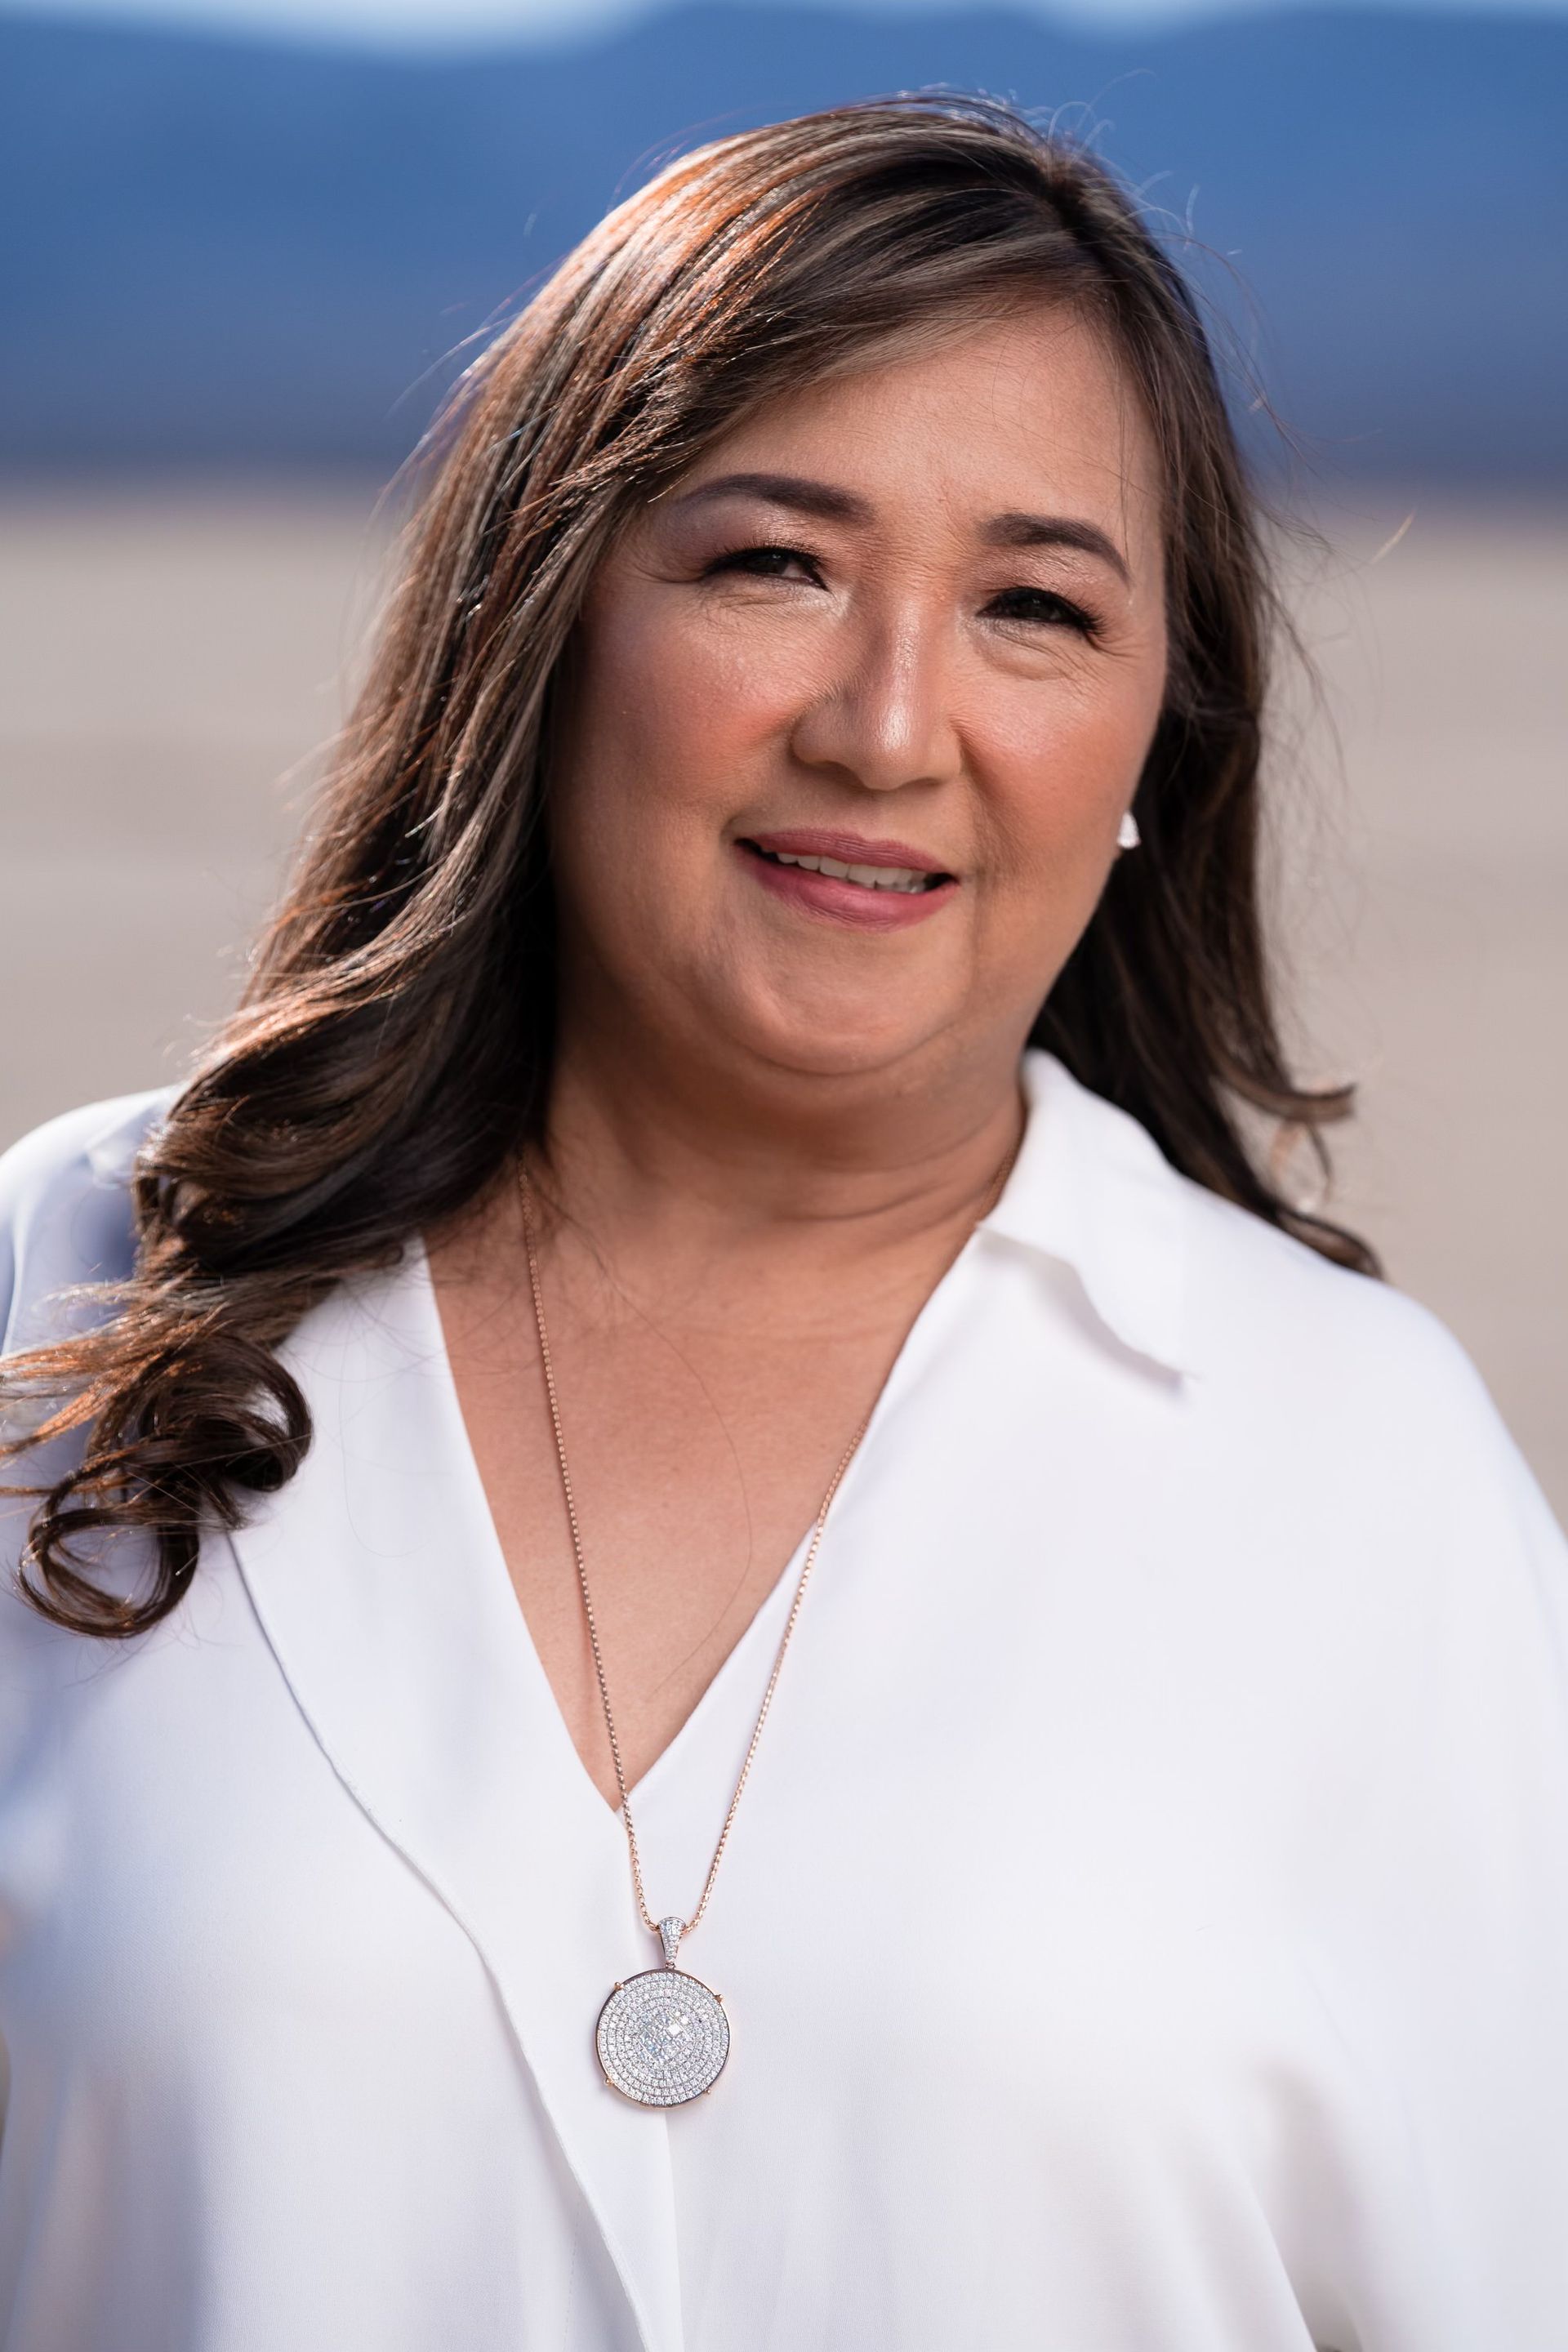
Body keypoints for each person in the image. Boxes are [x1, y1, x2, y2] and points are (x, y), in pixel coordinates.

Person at [1, 95, 1564, 2352]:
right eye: (773, 564)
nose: (891, 721)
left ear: (1150, 747)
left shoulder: (1356, 1466)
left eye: (1035, 607)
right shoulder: (71, 1288)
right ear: (538, 624)